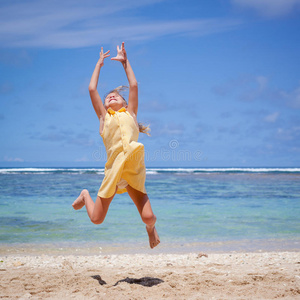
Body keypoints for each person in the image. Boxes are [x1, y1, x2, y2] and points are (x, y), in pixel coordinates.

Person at [72, 42, 160, 249]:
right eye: (107, 97)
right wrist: (99, 65)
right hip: (113, 173)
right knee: (96, 219)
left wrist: (125, 62)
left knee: (149, 217)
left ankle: (150, 230)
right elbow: (92, 88)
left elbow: (135, 85)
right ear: (104, 106)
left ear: (126, 103)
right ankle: (85, 194)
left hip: (132, 172)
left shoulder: (131, 113)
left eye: (116, 95)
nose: (110, 96)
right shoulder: (104, 118)